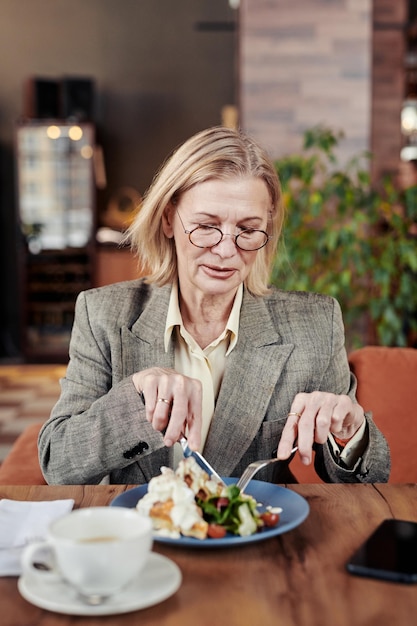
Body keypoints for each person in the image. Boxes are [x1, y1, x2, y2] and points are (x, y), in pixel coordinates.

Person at [38, 126, 390, 485]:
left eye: (248, 230)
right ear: (168, 219)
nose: (226, 250)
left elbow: (368, 482)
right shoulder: (103, 314)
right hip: (143, 533)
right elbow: (59, 464)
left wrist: (350, 431)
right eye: (206, 226)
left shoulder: (314, 324)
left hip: (254, 536)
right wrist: (136, 397)